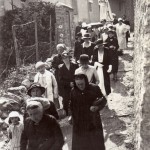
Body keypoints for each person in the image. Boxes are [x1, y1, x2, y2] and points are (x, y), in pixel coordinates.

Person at [70, 74, 107, 150]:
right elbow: (71, 105)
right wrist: (71, 116)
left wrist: (97, 107)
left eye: (82, 84)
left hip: (93, 120)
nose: (80, 86)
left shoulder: (94, 88)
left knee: (96, 142)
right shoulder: (73, 91)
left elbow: (103, 100)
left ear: (86, 81)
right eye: (78, 84)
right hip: (79, 121)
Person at [59, 52, 78, 116]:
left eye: (66, 58)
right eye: (64, 58)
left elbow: (79, 75)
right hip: (66, 87)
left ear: (69, 58)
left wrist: (75, 83)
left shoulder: (75, 65)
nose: (65, 59)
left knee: (77, 98)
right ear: (62, 59)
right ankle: (66, 113)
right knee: (65, 100)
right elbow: (60, 80)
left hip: (76, 85)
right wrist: (68, 84)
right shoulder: (61, 68)